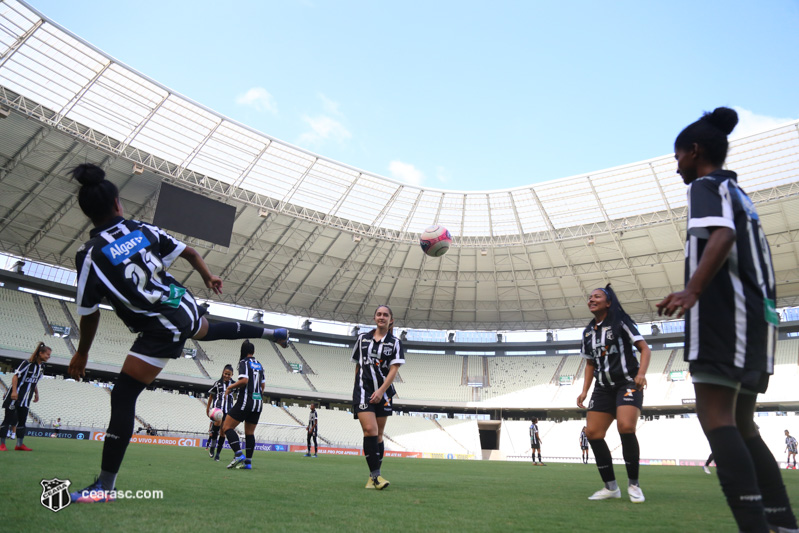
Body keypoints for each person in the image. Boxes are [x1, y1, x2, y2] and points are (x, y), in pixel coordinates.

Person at [65, 163, 289, 503]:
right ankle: (271, 331)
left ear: (87, 213)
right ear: (118, 205)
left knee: (123, 397)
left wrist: (81, 352)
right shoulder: (141, 229)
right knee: (207, 329)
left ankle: (105, 488)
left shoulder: (89, 255)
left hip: (160, 323)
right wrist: (207, 277)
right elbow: (191, 252)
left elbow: (89, 312)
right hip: (181, 302)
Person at [657, 107, 797, 532]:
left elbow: (723, 234)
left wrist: (693, 288)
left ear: (695, 151)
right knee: (742, 424)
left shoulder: (705, 184)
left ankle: (753, 526)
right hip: (759, 321)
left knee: (715, 417)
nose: (676, 164)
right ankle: (783, 523)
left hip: (727, 317)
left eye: (677, 155)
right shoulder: (740, 194)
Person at [577, 284, 650, 503]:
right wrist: (584, 390)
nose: (592, 299)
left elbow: (645, 348)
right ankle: (610, 487)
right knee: (593, 433)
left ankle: (634, 485)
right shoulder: (588, 332)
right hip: (602, 388)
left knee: (626, 426)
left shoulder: (620, 323)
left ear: (608, 302)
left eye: (597, 296)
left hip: (627, 382)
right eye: (590, 297)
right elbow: (590, 363)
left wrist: (642, 373)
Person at [352, 305, 405, 490]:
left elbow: (394, 370)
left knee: (379, 436)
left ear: (391, 320)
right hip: (363, 391)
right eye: (379, 314)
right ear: (375, 318)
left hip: (384, 392)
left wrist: (381, 391)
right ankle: (376, 476)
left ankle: (373, 478)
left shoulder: (395, 342)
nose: (381, 317)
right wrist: (358, 389)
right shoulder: (362, 339)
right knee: (369, 430)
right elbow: (358, 365)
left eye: (385, 315)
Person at [0, 342, 51, 451]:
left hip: (25, 399)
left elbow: (34, 381)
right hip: (14, 397)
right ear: (40, 353)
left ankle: (19, 444)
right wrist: (14, 392)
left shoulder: (42, 367)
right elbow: (15, 377)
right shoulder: (27, 363)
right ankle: (2, 444)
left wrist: (36, 393)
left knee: (22, 421)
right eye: (47, 354)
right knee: (7, 420)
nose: (48, 357)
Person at [222, 340, 264, 471]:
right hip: (258, 402)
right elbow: (262, 386)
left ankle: (239, 454)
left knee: (226, 427)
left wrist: (230, 387)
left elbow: (244, 380)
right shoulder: (259, 364)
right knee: (250, 433)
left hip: (246, 400)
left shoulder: (244, 362)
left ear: (243, 351)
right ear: (253, 352)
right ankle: (248, 463)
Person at [206, 364, 235, 461]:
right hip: (218, 409)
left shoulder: (234, 384)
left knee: (223, 432)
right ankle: (212, 447)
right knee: (217, 425)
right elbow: (211, 396)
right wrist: (208, 409)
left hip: (229, 411)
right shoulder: (217, 383)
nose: (227, 376)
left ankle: (218, 454)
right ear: (223, 373)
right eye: (225, 374)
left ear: (232, 374)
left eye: (229, 374)